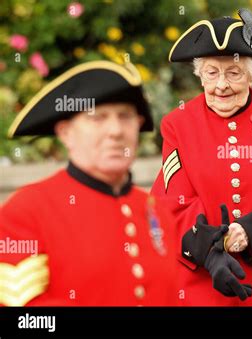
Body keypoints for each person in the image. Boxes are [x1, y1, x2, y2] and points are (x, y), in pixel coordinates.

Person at [151, 9, 252, 306]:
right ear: (199, 74)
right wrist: (215, 246)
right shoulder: (177, 124)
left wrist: (250, 231)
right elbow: (172, 205)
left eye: (233, 72)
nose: (221, 85)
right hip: (205, 282)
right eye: (211, 72)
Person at [0, 61, 176, 306]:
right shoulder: (26, 210)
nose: (115, 130)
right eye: (97, 118)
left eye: (125, 116)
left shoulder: (158, 210)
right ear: (65, 133)